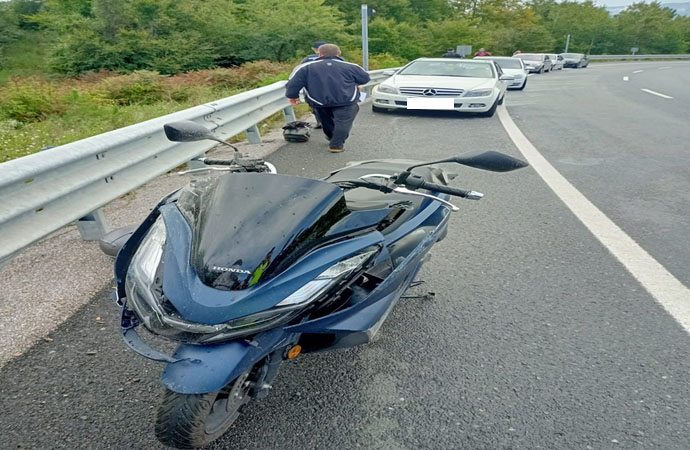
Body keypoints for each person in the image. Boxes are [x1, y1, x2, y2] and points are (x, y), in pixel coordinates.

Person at [286, 44, 370, 153]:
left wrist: (293, 96)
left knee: (326, 121)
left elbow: (293, 83)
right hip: (346, 100)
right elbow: (365, 79)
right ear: (339, 54)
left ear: (319, 54)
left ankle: (332, 136)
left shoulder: (306, 67)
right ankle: (336, 145)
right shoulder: (351, 66)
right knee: (343, 122)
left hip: (318, 101)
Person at [299, 41, 328, 128]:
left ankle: (320, 121)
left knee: (314, 103)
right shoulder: (335, 58)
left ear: (314, 49)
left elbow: (301, 72)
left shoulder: (308, 59)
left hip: (312, 86)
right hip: (332, 85)